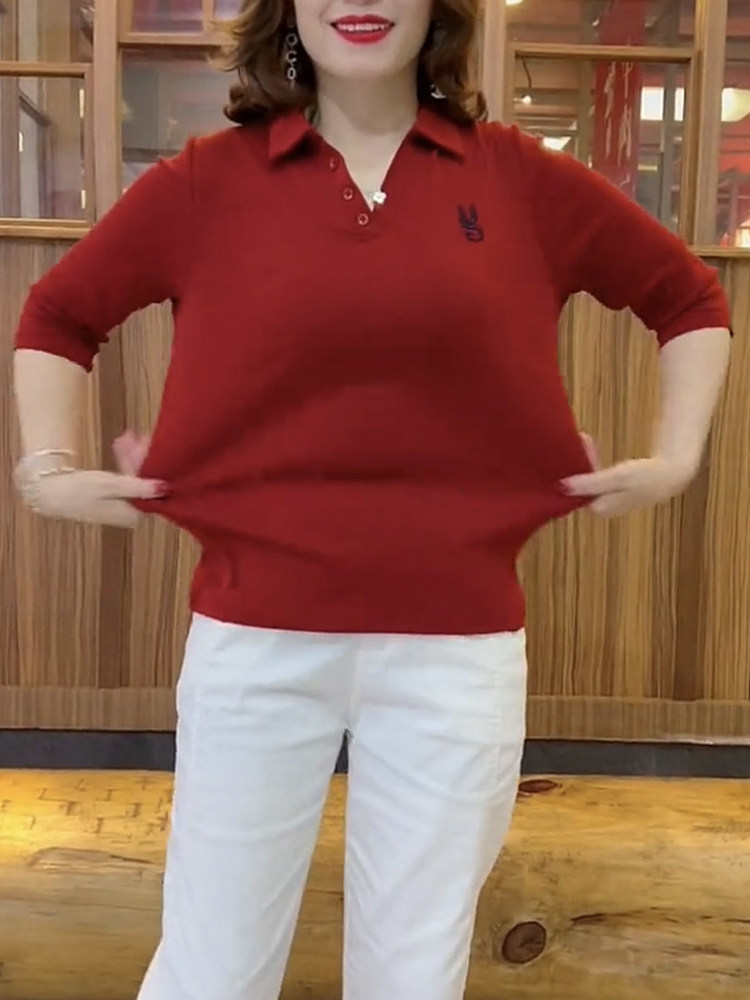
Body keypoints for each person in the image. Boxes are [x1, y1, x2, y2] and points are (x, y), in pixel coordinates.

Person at [12, 0, 731, 996]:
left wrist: (678, 456)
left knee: (413, 974)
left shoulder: (518, 179)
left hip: (456, 654)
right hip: (254, 643)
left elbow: (689, 297)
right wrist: (47, 467)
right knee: (212, 968)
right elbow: (58, 312)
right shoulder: (207, 184)